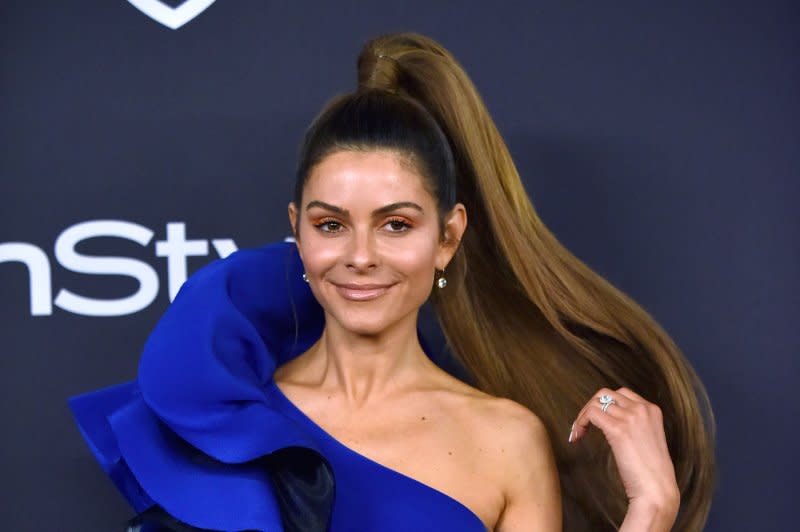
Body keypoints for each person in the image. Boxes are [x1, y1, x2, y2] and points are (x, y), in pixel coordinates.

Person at [69, 32, 715, 531]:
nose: (360, 256)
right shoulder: (226, 423)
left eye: (396, 225)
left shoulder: (506, 440)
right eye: (331, 225)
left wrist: (652, 511)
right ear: (297, 229)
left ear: (448, 237)